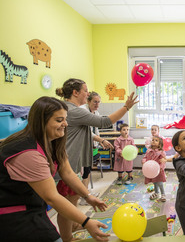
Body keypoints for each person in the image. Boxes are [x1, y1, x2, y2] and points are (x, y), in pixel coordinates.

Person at [0, 97, 109, 242]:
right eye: (59, 120)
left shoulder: (54, 141)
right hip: (12, 213)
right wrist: (86, 222)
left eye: (65, 119)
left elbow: (67, 172)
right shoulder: (28, 153)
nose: (65, 124)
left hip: (33, 207)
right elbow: (52, 197)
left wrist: (88, 196)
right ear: (41, 122)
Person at [55, 78, 138, 241]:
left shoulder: (70, 109)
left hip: (71, 163)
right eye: (85, 90)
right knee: (68, 206)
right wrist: (126, 107)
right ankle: (67, 237)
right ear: (75, 92)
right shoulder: (74, 111)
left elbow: (83, 131)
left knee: (73, 200)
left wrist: (99, 140)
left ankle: (73, 225)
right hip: (69, 165)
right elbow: (104, 122)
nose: (87, 93)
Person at [80, 91, 114, 206]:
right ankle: (84, 197)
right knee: (84, 171)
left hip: (90, 146)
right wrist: (101, 140)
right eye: (95, 102)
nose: (97, 104)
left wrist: (99, 142)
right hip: (82, 147)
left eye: (99, 102)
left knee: (88, 170)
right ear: (88, 101)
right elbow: (87, 132)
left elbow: (96, 130)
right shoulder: (83, 111)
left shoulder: (96, 112)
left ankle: (86, 193)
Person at [142, 136, 167, 202]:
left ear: (160, 144)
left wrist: (161, 167)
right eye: (153, 140)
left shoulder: (161, 152)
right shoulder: (149, 151)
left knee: (160, 183)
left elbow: (163, 160)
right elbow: (145, 157)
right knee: (154, 182)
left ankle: (163, 194)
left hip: (159, 170)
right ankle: (156, 193)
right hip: (151, 171)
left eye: (156, 140)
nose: (153, 141)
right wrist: (144, 161)